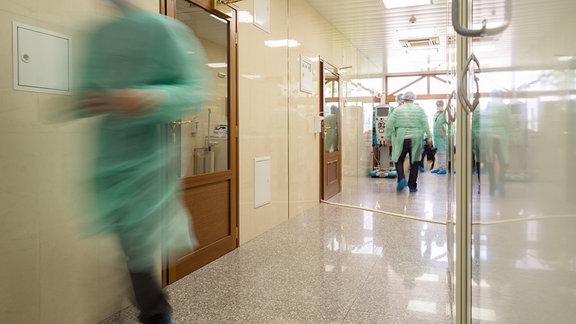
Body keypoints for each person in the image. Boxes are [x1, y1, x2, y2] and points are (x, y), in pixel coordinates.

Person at [74, 1, 207, 323]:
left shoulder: (165, 30)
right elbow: (87, 92)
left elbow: (193, 92)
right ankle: (155, 309)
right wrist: (84, 101)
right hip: (110, 158)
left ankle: (157, 313)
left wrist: (146, 98)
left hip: (150, 160)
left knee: (137, 251)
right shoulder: (100, 35)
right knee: (132, 248)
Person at [384, 91, 432, 192]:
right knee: (414, 162)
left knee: (398, 159)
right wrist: (429, 137)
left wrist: (387, 137)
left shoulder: (397, 110)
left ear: (404, 99)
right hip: (416, 138)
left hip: (401, 138)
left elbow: (389, 123)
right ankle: (412, 187)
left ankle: (401, 178)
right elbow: (425, 123)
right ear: (413, 99)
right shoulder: (419, 109)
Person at [431, 100, 448, 174]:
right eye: (437, 104)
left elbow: (448, 124)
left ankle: (443, 168)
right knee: (438, 152)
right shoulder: (436, 114)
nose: (438, 105)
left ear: (443, 104)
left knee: (443, 152)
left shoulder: (445, 113)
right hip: (436, 136)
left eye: (440, 104)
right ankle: (440, 167)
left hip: (442, 135)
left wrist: (443, 128)